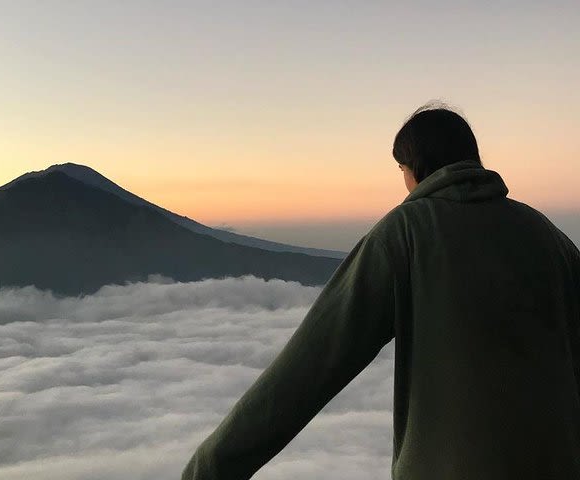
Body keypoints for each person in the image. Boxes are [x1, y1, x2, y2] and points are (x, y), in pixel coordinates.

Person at [181, 101, 580, 479]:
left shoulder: (406, 234)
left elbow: (308, 368)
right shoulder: (551, 238)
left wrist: (209, 467)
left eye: (402, 170)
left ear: (416, 169)